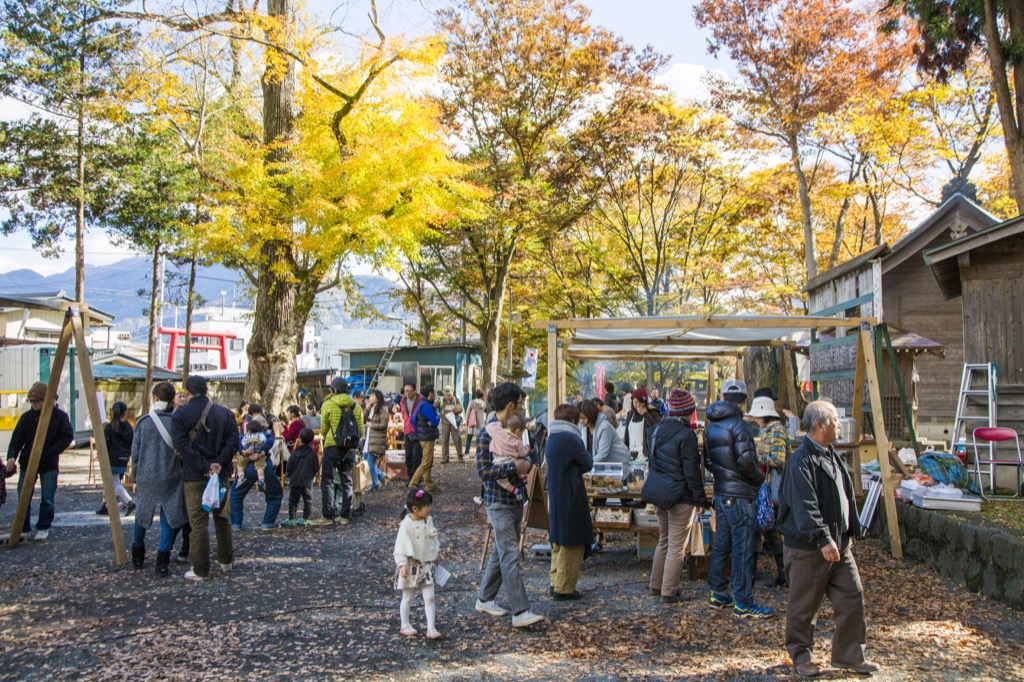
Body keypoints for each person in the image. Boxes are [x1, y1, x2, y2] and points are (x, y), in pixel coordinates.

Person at [777, 400, 880, 678]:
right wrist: (823, 538)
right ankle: (801, 655)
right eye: (835, 420)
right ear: (820, 426)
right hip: (810, 547)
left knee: (852, 596)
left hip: (839, 544)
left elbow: (843, 496)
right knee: (803, 606)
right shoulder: (801, 460)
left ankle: (849, 654)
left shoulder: (830, 453)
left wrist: (850, 531)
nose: (839, 425)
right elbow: (805, 506)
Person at [474, 382, 544, 628]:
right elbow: (483, 472)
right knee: (510, 555)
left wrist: (529, 453)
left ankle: (485, 598)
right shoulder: (487, 433)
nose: (523, 408)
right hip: (497, 501)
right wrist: (514, 466)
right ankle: (520, 611)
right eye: (521, 404)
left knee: (501, 551)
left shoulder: (517, 429)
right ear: (510, 405)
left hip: (515, 498)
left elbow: (532, 456)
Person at [703, 379, 772, 618]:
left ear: (723, 396)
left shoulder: (711, 426)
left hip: (721, 492)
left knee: (721, 545)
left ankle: (718, 593)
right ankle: (743, 601)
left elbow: (709, 462)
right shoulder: (740, 426)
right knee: (743, 548)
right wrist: (758, 479)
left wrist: (724, 476)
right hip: (741, 494)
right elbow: (745, 461)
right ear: (744, 400)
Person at [172, 375, 238, 581]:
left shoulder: (180, 415)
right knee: (222, 517)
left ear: (188, 393)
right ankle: (226, 560)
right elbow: (234, 440)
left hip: (194, 475)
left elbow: (181, 445)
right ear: (207, 391)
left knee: (198, 522)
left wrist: (203, 465)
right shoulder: (225, 413)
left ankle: (200, 568)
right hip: (221, 473)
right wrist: (218, 462)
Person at [647, 389, 708, 603]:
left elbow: (652, 463)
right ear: (688, 412)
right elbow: (692, 473)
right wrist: (700, 500)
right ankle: (669, 591)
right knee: (676, 545)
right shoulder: (686, 436)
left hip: (659, 495)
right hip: (680, 497)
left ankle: (656, 584)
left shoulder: (655, 431)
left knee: (663, 541)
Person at [131, 382, 188, 576]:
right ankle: (162, 560)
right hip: (171, 475)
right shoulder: (177, 423)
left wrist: (135, 477)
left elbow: (135, 453)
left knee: (142, 515)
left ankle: (137, 554)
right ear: (172, 398)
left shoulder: (143, 422)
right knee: (168, 518)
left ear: (155, 398)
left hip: (146, 475)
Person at [6, 381, 74, 541]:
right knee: (23, 495)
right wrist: (11, 457)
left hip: (48, 463)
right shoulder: (26, 418)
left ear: (46, 400)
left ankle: (43, 526)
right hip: (28, 461)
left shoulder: (59, 417)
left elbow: (67, 436)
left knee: (47, 497)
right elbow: (17, 439)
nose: (34, 404)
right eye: (31, 401)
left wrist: (51, 452)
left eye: (37, 401)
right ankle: (23, 528)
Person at [544, 403, 593, 601]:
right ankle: (564, 589)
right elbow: (587, 463)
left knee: (557, 541)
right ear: (572, 420)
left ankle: (555, 582)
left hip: (556, 494)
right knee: (571, 543)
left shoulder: (552, 437)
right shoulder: (572, 439)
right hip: (571, 494)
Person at [748, 393, 790, 588]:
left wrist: (758, 457)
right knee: (767, 527)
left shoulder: (777, 431)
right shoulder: (772, 430)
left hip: (774, 487)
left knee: (770, 528)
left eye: (757, 415)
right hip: (768, 487)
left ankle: (783, 573)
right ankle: (777, 572)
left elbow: (779, 459)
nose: (756, 419)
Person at [309, 377, 363, 526]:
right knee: (347, 480)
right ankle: (345, 516)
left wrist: (329, 437)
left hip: (332, 446)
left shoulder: (328, 405)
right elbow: (361, 430)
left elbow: (324, 427)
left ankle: (327, 516)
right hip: (350, 447)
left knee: (327, 480)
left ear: (334, 390)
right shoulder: (356, 407)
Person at [394, 488, 442, 639]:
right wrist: (402, 564)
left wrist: (435, 554)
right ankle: (405, 623)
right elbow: (400, 546)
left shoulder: (429, 521)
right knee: (407, 597)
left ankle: (431, 627)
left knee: (430, 597)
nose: (429, 508)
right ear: (415, 508)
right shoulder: (406, 525)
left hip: (426, 564)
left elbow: (432, 540)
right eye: (426, 505)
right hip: (411, 565)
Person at [229, 413, 284, 530]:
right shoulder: (266, 435)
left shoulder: (244, 438)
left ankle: (236, 523)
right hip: (264, 466)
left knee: (235, 494)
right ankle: (268, 522)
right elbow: (271, 440)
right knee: (275, 494)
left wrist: (244, 453)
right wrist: (262, 452)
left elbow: (238, 447)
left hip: (246, 466)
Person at [98, 401, 136, 516]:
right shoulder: (128, 427)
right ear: (125, 413)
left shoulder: (109, 427)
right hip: (123, 457)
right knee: (112, 481)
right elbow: (131, 442)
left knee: (114, 482)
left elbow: (105, 443)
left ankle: (129, 502)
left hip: (111, 457)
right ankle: (106, 504)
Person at [485, 413, 530, 498]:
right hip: (512, 460)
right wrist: (527, 447)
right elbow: (522, 453)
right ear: (517, 431)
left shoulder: (499, 433)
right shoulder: (517, 441)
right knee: (519, 466)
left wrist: (499, 423)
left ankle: (514, 490)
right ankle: (523, 478)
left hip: (499, 461)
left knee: (502, 481)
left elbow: (489, 427)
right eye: (522, 432)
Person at [282, 428, 318, 527]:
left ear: (300, 439)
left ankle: (292, 518)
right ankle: (305, 518)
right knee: (308, 500)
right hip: (307, 480)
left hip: (295, 479)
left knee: (293, 501)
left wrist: (289, 474)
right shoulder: (312, 453)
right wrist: (312, 475)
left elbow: (289, 466)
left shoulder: (295, 452)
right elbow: (316, 467)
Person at [409, 385, 441, 492]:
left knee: (428, 461)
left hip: (425, 436)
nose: (435, 395)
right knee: (426, 462)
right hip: (426, 437)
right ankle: (413, 484)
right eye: (434, 392)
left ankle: (429, 484)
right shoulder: (426, 406)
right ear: (430, 394)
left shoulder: (421, 404)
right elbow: (435, 421)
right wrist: (436, 414)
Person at [578, 400, 630, 465]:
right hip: (601, 466)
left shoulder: (605, 427)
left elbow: (602, 454)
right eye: (580, 418)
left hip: (618, 464)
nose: (581, 421)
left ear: (591, 415)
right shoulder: (583, 427)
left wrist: (586, 464)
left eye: (584, 418)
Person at [622, 386, 661, 461]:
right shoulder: (630, 414)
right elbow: (627, 434)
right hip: (631, 453)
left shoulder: (653, 413)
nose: (638, 405)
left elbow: (658, 429)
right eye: (635, 402)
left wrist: (646, 415)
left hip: (645, 454)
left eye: (641, 403)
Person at [363, 389, 390, 489]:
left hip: (376, 440)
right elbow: (363, 420)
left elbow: (384, 424)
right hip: (368, 439)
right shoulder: (371, 408)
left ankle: (375, 483)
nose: (370, 397)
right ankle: (382, 476)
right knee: (366, 459)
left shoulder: (382, 409)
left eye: (372, 395)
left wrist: (371, 425)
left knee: (370, 462)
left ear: (377, 398)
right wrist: (367, 408)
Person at [399, 383, 423, 486]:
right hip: (407, 430)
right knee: (408, 456)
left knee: (416, 456)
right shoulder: (403, 401)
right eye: (405, 391)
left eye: (409, 391)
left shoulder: (420, 400)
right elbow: (404, 414)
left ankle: (416, 479)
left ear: (414, 391)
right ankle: (410, 477)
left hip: (417, 430)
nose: (407, 393)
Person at [235, 419, 268, 491]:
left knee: (240, 464)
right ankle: (261, 480)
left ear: (248, 430)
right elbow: (264, 442)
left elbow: (243, 443)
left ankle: (241, 476)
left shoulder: (246, 436)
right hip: (258, 453)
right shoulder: (261, 435)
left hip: (247, 453)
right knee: (260, 467)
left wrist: (245, 451)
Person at [437, 387, 464, 464]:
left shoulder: (455, 400)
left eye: (450, 395)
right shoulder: (441, 400)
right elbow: (435, 408)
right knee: (445, 440)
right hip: (445, 422)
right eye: (447, 395)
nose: (448, 396)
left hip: (454, 421)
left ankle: (460, 456)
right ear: (444, 395)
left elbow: (460, 409)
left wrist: (456, 410)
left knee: (457, 439)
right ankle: (445, 458)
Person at [464, 389, 487, 458]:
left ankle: (467, 453)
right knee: (478, 440)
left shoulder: (472, 402)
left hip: (472, 423)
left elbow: (468, 412)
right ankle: (477, 453)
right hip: (480, 423)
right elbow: (485, 413)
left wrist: (465, 420)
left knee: (469, 439)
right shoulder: (483, 403)